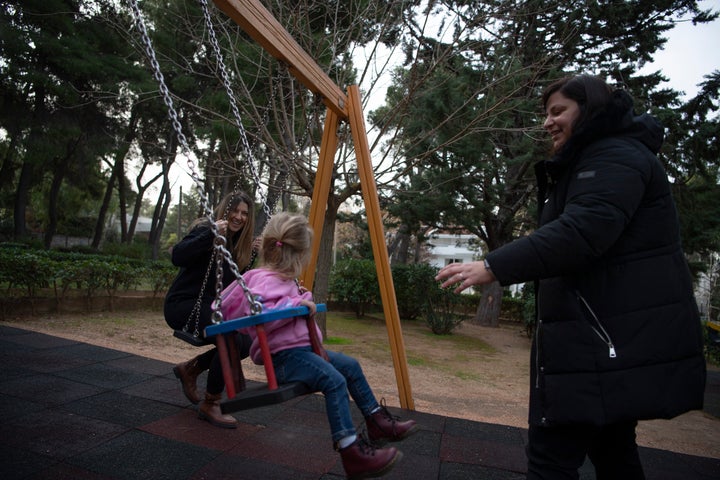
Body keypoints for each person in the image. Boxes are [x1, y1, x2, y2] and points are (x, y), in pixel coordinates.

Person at [435, 74, 706, 479]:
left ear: (591, 110)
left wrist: (491, 266)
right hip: (603, 340)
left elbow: (581, 232)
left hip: (593, 343)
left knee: (551, 458)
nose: (547, 122)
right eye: (546, 113)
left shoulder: (612, 157)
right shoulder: (603, 159)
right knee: (613, 449)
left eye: (558, 111)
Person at [221, 212, 418, 479]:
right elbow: (261, 316)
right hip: (285, 359)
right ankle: (351, 453)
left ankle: (376, 421)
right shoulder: (264, 279)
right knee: (334, 380)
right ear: (298, 255)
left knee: (350, 366)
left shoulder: (283, 279)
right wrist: (295, 306)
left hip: (303, 353)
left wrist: (300, 301)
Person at [164, 192, 256, 429]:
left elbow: (233, 286)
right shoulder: (206, 229)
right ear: (224, 211)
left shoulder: (238, 246)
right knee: (230, 335)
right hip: (184, 305)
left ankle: (191, 369)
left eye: (244, 213)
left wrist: (255, 256)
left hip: (208, 309)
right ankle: (211, 402)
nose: (238, 217)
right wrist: (211, 233)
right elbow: (178, 256)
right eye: (234, 211)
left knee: (245, 341)